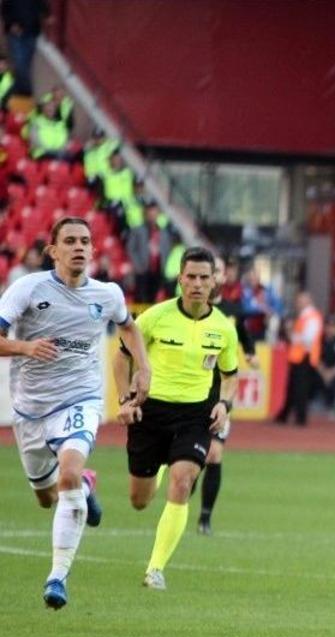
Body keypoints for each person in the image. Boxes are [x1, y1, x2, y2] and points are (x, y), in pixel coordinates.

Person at [0, 216, 150, 609]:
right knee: (46, 497)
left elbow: (129, 327)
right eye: (70, 241)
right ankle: (84, 486)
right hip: (30, 409)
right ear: (53, 250)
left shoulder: (107, 294)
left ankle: (57, 577)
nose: (79, 247)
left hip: (80, 399)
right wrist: (25, 348)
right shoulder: (28, 289)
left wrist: (144, 367)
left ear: (93, 249)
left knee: (66, 472)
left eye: (85, 240)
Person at [114, 247, 238, 591]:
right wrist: (124, 399)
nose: (197, 284)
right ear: (180, 279)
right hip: (151, 411)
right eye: (191, 277)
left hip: (196, 414)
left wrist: (224, 404)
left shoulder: (223, 328)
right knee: (139, 501)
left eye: (204, 277)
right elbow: (121, 359)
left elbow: (230, 374)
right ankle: (161, 464)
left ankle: (155, 569)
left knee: (183, 482)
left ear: (214, 282)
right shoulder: (154, 317)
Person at [195, 257, 258, 537]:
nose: (213, 277)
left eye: (218, 271)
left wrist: (250, 353)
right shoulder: (192, 309)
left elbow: (244, 334)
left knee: (214, 454)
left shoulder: (233, 311)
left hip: (220, 392)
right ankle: (179, 500)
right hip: (191, 391)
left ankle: (205, 517)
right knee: (189, 458)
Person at [275, 291, 323, 426]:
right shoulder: (303, 317)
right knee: (292, 388)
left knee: (300, 389)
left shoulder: (312, 317)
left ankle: (300, 417)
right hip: (298, 357)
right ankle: (285, 415)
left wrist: (292, 335)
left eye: (300, 301)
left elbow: (308, 339)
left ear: (308, 301)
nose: (298, 303)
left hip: (305, 358)